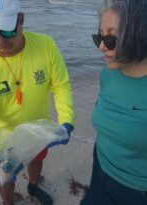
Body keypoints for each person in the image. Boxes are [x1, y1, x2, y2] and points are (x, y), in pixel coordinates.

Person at [0, 0, 74, 204]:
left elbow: (61, 85)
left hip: (38, 129)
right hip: (4, 137)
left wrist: (66, 120)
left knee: (37, 160)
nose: (0, 41)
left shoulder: (46, 45)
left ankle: (33, 186)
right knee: (6, 179)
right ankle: (8, 202)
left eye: (7, 31)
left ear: (21, 19)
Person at [81, 0, 147, 204]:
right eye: (99, 37)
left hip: (136, 189)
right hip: (100, 167)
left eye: (110, 38)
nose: (101, 47)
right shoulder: (108, 74)